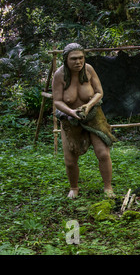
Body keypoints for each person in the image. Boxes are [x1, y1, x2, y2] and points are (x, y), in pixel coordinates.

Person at [52, 43, 116, 199]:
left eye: (81, 58)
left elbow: (99, 92)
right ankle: (74, 187)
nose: (78, 62)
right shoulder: (59, 75)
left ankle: (108, 187)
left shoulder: (89, 70)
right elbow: (57, 101)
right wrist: (71, 112)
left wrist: (88, 105)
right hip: (69, 118)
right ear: (66, 59)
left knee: (103, 153)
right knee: (70, 160)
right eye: (73, 59)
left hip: (93, 115)